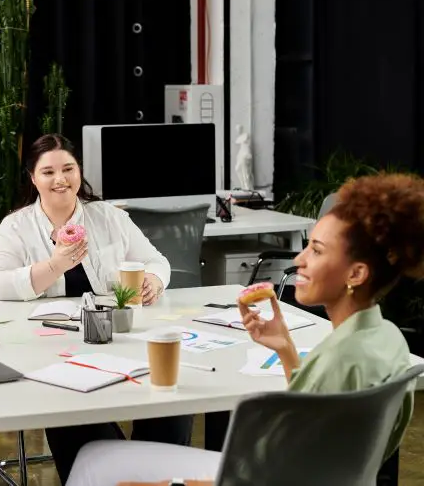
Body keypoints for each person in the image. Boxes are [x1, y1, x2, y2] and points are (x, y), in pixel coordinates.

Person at [64, 172, 424, 486]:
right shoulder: (386, 340)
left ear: (356, 274)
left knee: (95, 460)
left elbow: (277, 471)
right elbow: (321, 433)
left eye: (316, 250)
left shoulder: (340, 358)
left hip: (263, 478)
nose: (299, 259)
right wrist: (285, 349)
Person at [0, 134, 194, 484]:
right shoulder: (16, 227)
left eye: (68, 169)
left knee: (169, 401)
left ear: (79, 172)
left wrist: (154, 281)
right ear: (33, 178)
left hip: (120, 340)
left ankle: (153, 477)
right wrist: (55, 265)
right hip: (51, 350)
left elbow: (157, 261)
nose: (60, 179)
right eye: (48, 172)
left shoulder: (108, 217)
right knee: (73, 410)